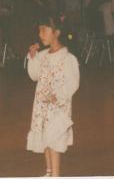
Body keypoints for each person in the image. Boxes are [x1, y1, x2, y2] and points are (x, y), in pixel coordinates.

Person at [26, 13, 80, 177]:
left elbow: (73, 83)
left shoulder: (67, 58)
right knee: (45, 138)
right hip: (42, 106)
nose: (40, 34)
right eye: (39, 30)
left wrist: (58, 95)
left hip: (57, 108)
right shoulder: (43, 56)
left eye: (44, 30)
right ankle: (48, 172)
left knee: (54, 140)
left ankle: (56, 175)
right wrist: (33, 58)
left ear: (56, 32)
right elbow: (34, 75)